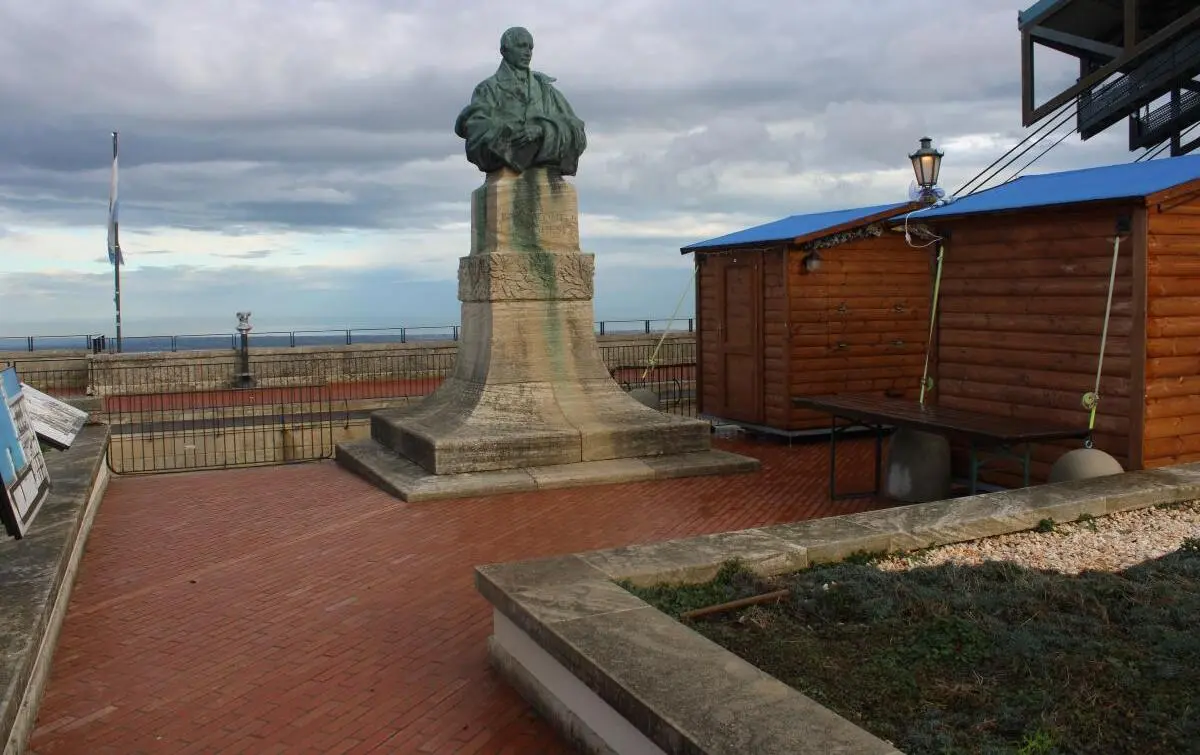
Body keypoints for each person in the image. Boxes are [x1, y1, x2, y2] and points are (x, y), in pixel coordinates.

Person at [454, 27, 587, 176]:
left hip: (546, 174)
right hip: (505, 178)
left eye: (530, 48)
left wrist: (544, 130)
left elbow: (576, 130)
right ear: (504, 50)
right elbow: (477, 133)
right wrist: (515, 133)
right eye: (521, 46)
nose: (527, 53)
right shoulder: (487, 89)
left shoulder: (545, 89)